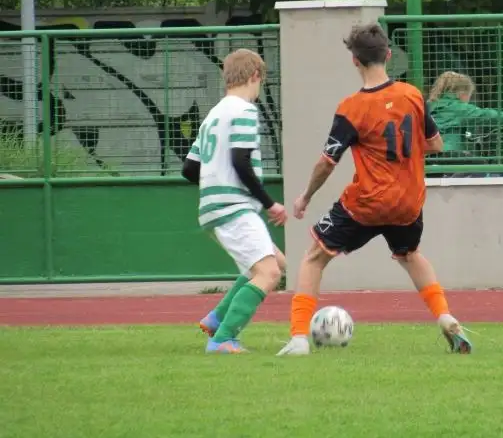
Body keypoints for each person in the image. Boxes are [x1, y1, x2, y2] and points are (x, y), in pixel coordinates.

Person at [277, 23, 473, 356]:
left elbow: (327, 161)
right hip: (409, 202)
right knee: (410, 255)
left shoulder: (352, 108)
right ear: (389, 55)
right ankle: (445, 317)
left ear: (354, 61)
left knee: (313, 258)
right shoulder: (411, 95)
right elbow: (435, 143)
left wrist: (305, 196)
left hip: (367, 203)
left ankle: (298, 338)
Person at [182, 48, 288, 354]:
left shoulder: (213, 115)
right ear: (255, 76)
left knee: (276, 263)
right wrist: (271, 203)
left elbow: (189, 168)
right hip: (234, 207)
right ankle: (222, 339)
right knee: (269, 274)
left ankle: (216, 319)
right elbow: (241, 161)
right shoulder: (244, 111)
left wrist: (215, 178)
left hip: (215, 208)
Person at [427, 71, 503, 155]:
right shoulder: (457, 108)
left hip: (428, 155)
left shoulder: (428, 105)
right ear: (461, 93)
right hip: (448, 153)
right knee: (479, 167)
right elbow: (484, 115)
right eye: (469, 95)